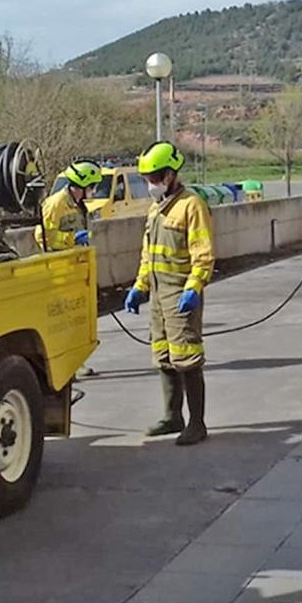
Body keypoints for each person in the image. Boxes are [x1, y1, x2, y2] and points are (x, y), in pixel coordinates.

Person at [123, 142, 214, 446]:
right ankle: (172, 416)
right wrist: (139, 287)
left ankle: (197, 424)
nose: (151, 183)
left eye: (156, 176)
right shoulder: (155, 209)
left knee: (187, 358)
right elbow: (148, 255)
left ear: (172, 174)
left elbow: (203, 254)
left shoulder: (192, 205)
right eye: (147, 178)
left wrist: (194, 287)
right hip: (158, 295)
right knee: (163, 356)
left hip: (180, 292)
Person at [35, 161, 102, 251]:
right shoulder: (56, 204)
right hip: (60, 262)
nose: (94, 192)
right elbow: (42, 235)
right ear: (83, 185)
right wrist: (71, 239)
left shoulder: (80, 206)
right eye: (92, 187)